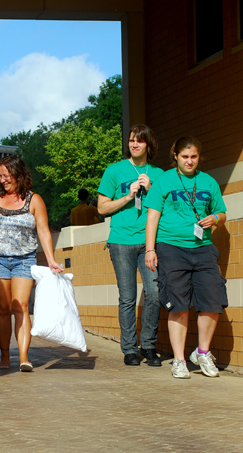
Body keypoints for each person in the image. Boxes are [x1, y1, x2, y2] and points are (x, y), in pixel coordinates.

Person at [144, 136, 228, 379]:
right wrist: (150, 250)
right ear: (175, 156)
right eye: (185, 157)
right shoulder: (164, 181)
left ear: (199, 157)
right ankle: (179, 360)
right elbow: (152, 217)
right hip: (171, 248)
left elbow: (222, 213)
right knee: (178, 304)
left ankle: (202, 352)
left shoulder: (208, 182)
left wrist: (216, 219)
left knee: (212, 301)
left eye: (193, 157)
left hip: (203, 247)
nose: (189, 161)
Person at [0, 155, 64, 372]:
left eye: (6, 175)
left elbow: (43, 231)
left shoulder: (34, 200)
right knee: (2, 308)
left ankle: (23, 357)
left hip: (24, 259)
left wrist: (50, 260)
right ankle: (4, 356)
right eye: (0, 176)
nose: (2, 180)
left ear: (18, 174)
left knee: (20, 306)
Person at [97, 124, 164, 367]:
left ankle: (148, 345)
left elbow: (168, 210)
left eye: (140, 140)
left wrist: (152, 189)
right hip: (121, 242)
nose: (135, 144)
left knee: (155, 294)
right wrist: (127, 196)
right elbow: (102, 208)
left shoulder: (159, 174)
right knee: (127, 297)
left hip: (149, 244)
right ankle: (129, 349)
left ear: (148, 145)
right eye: (131, 140)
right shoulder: (114, 171)